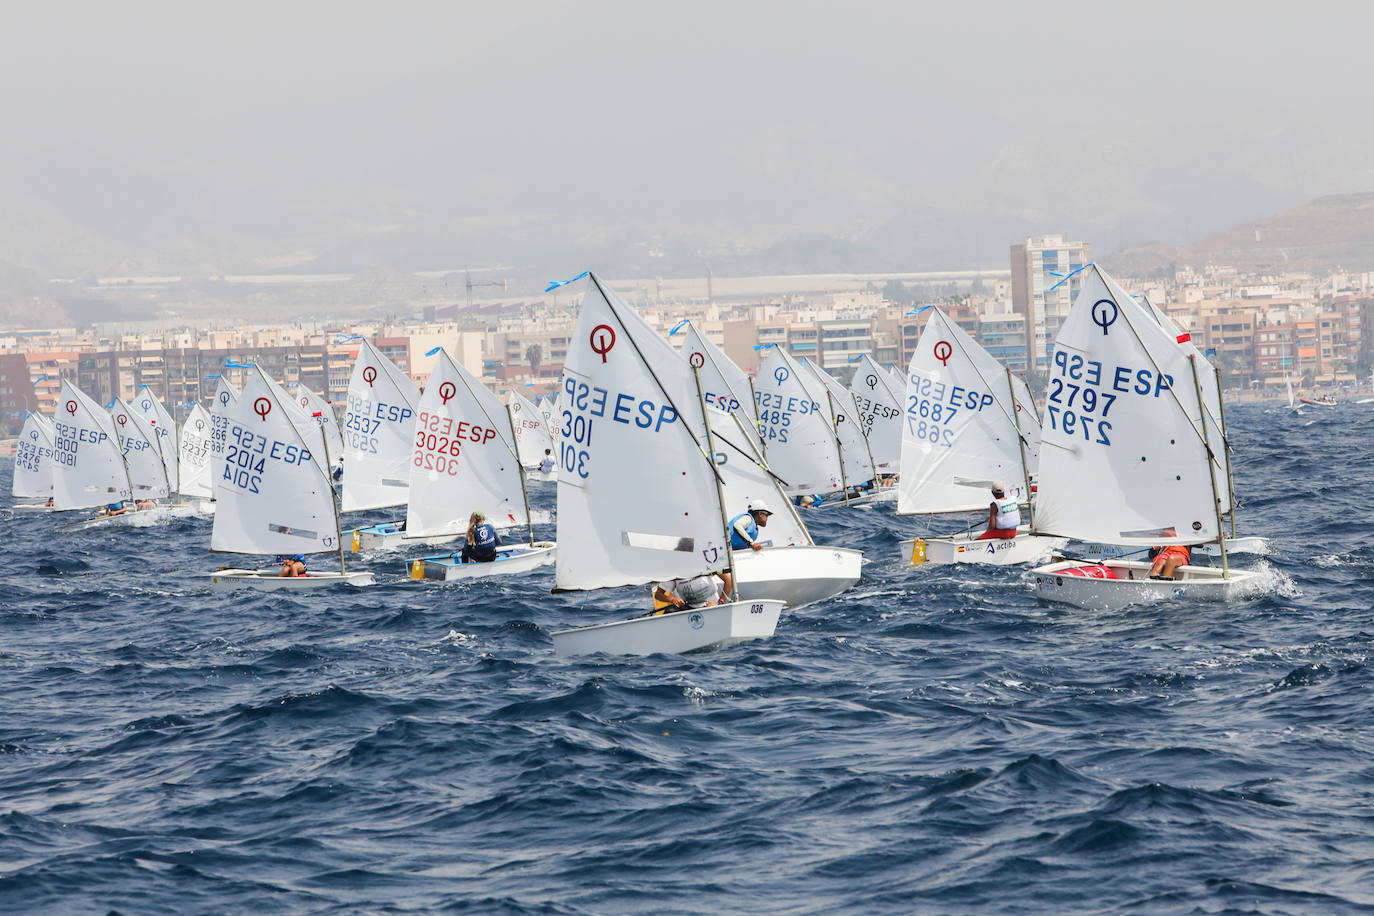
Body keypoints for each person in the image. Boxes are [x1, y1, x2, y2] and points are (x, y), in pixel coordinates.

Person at [652, 569, 733, 613]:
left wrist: (720, 602)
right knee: (669, 611)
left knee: (711, 610)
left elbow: (728, 580)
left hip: (712, 605)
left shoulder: (704, 562)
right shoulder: (675, 570)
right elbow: (658, 594)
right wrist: (672, 599)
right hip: (689, 607)